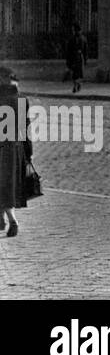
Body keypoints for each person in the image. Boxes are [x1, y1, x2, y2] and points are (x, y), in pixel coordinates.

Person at [0, 66, 32, 237]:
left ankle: (12, 220)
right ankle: (6, 220)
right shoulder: (22, 99)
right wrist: (28, 152)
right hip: (14, 149)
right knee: (7, 187)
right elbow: (25, 129)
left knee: (3, 188)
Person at [65, 22, 88, 94]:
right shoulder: (75, 39)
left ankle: (77, 84)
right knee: (76, 73)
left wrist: (85, 58)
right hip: (77, 57)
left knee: (77, 73)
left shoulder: (80, 39)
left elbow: (85, 50)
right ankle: (77, 84)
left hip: (77, 57)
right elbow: (69, 50)